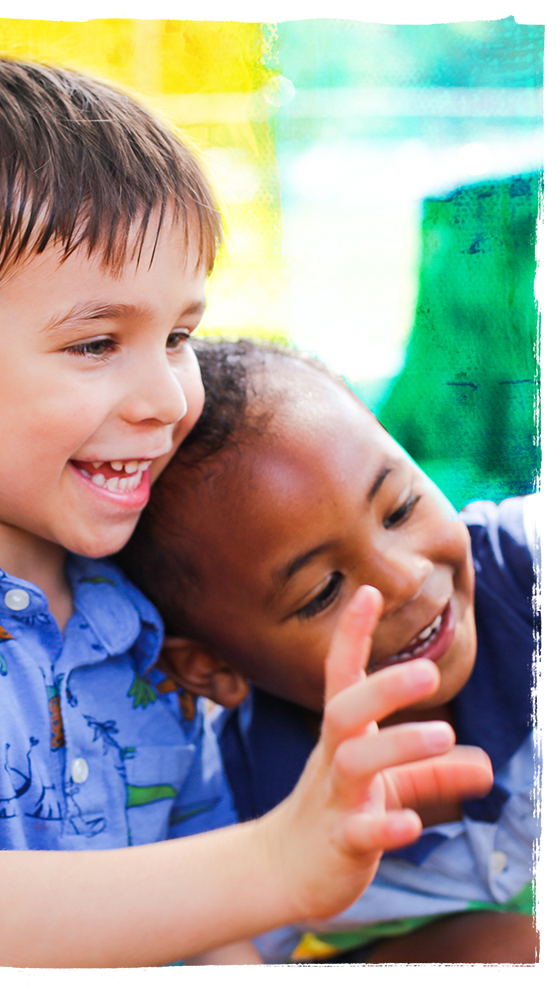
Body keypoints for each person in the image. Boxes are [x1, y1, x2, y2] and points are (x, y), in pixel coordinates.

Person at [0, 48, 493, 968]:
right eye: (95, 343)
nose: (168, 396)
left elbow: (211, 939)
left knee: (495, 942)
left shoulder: (137, 611)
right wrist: (278, 861)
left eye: (177, 336)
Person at [117, 338, 540, 964]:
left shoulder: (529, 573)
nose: (403, 580)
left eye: (399, 508)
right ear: (212, 668)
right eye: (322, 593)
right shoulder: (251, 814)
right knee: (508, 951)